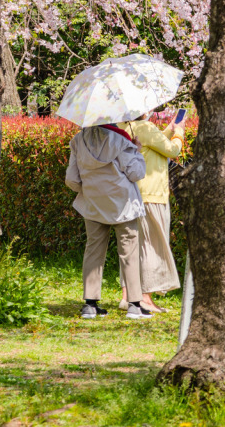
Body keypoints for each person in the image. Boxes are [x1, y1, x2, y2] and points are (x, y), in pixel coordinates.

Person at [65, 123, 151, 320]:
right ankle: (134, 305)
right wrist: (137, 151)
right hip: (123, 205)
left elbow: (72, 179)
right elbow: (136, 173)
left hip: (93, 204)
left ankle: (90, 305)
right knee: (129, 252)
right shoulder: (122, 139)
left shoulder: (78, 140)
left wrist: (91, 189)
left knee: (93, 250)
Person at [118, 114, 184, 312]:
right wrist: (179, 131)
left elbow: (149, 146)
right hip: (151, 195)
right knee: (151, 245)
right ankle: (145, 298)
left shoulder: (122, 126)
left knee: (132, 246)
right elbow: (172, 150)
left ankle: (127, 296)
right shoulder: (146, 127)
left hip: (131, 194)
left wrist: (168, 130)